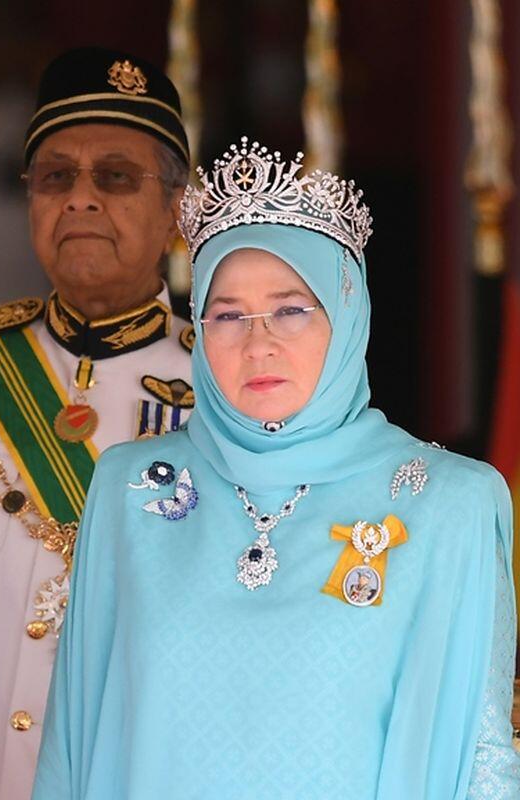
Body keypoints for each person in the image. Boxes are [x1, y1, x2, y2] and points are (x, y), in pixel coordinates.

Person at [33, 137, 520, 798]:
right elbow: (74, 739)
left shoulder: (448, 505)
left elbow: (482, 757)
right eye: (228, 316)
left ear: (348, 315)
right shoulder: (130, 490)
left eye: (291, 309)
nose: (258, 343)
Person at [0, 47, 194, 800]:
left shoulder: (226, 384)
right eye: (55, 177)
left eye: (115, 177)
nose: (79, 198)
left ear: (177, 210)